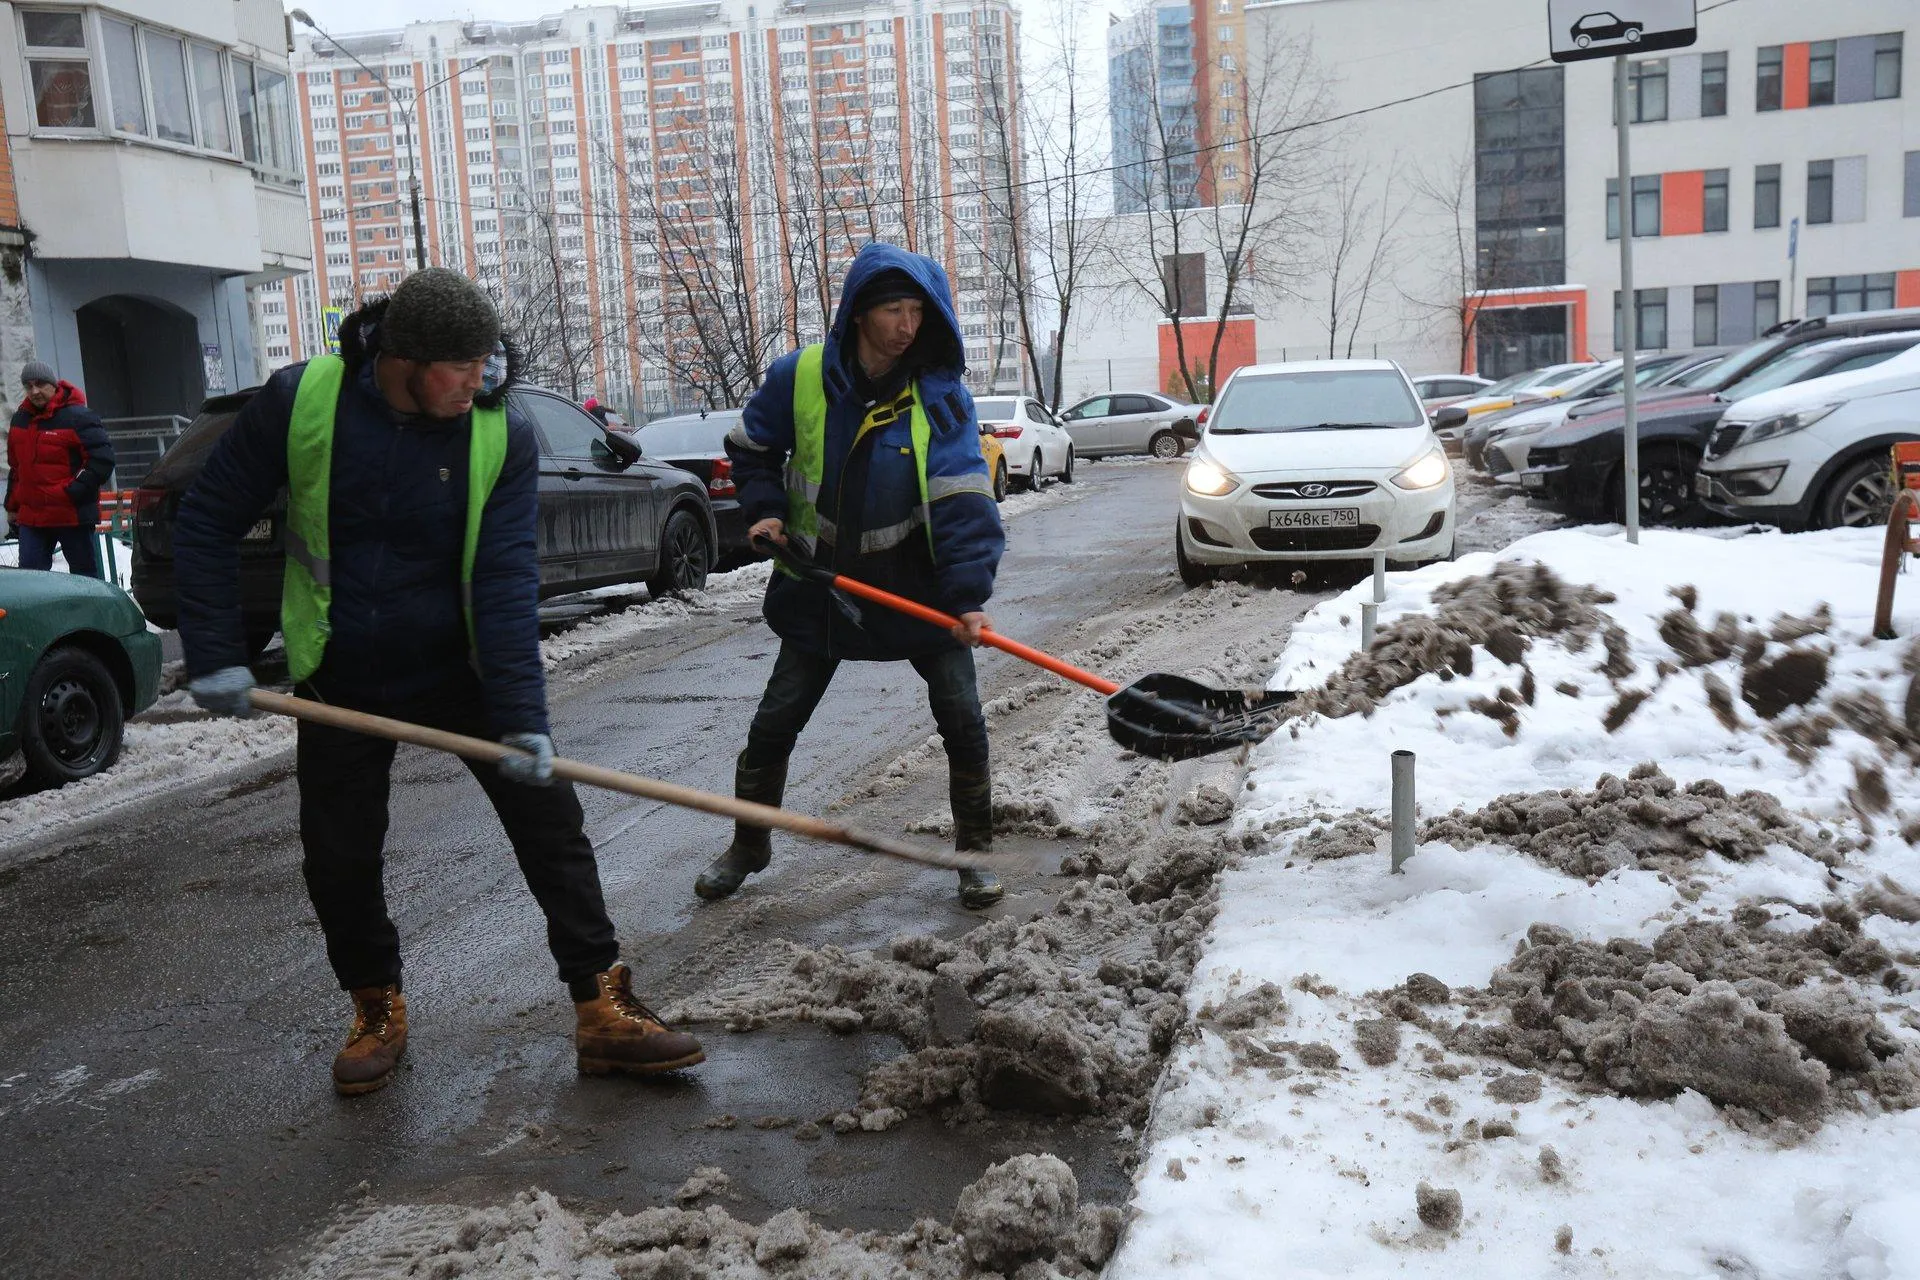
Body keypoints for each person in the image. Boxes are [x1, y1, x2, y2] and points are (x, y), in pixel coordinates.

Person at [171, 268, 703, 1096]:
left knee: (550, 823)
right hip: (338, 672)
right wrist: (212, 651)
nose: (480, 380)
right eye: (461, 366)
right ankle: (376, 1008)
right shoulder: (301, 402)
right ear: (404, 358)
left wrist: (524, 717)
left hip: (462, 670)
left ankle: (604, 1008)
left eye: (488, 360)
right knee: (339, 858)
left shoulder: (498, 432)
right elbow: (204, 518)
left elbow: (502, 580)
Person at [698, 243, 1007, 909]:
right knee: (774, 723)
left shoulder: (941, 397)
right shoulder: (802, 377)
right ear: (860, 314)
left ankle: (974, 853)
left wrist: (968, 597)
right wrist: (767, 513)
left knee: (962, 718)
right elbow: (751, 449)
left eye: (918, 310)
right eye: (894, 309)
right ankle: (748, 846)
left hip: (920, 591)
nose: (908, 325)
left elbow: (964, 501)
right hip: (821, 588)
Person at [5, 360, 114, 575]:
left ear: (53, 385)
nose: (34, 391)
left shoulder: (78, 417)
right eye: (28, 386)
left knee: (86, 581)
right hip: (32, 518)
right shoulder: (20, 420)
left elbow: (101, 461)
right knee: (32, 583)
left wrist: (70, 492)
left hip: (71, 515)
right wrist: (12, 506)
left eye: (40, 384)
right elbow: (17, 468)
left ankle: (88, 610)